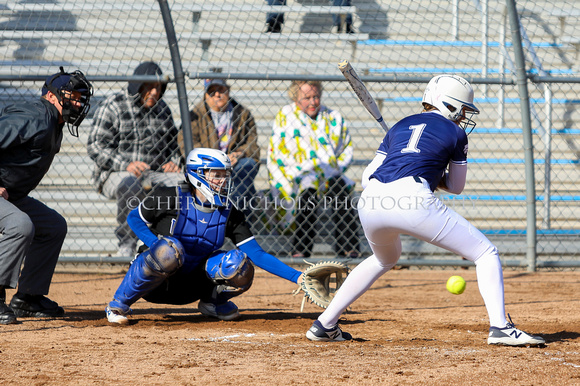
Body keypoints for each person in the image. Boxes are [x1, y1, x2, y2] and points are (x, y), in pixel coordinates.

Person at [305, 75, 546, 347]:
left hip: (371, 201)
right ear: (450, 105)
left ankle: (325, 323)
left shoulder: (399, 126)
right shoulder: (457, 133)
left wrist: (415, 165)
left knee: (383, 259)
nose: (464, 116)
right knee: (485, 252)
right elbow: (456, 186)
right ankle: (501, 327)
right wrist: (434, 173)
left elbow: (367, 176)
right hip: (412, 198)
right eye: (463, 109)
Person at [105, 148, 303, 324]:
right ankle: (118, 304)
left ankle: (212, 303)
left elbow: (257, 254)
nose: (223, 181)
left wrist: (299, 278)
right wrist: (155, 243)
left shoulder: (229, 211)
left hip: (192, 286)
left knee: (239, 264)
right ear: (197, 175)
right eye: (216, 175)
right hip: (155, 284)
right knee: (168, 250)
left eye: (225, 175)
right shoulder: (169, 196)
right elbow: (134, 218)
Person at [0, 67, 93, 324]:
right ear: (51, 96)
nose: (78, 102)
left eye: (80, 97)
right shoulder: (35, 117)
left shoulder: (53, 121)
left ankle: (28, 297)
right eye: (72, 95)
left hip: (12, 195)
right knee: (20, 225)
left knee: (52, 226)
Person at [88, 61, 182, 258]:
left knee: (183, 184)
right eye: (149, 86)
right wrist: (126, 165)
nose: (154, 92)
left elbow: (174, 145)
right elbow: (95, 146)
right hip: (116, 172)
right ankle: (127, 246)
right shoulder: (113, 105)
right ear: (137, 86)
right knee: (130, 184)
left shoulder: (163, 109)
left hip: (154, 173)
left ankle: (169, 243)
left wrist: (174, 162)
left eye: (158, 88)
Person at [267, 80, 359, 259]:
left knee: (340, 190)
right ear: (295, 98)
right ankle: (301, 249)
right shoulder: (285, 116)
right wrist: (302, 172)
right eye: (306, 97)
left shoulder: (333, 117)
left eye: (316, 96)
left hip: (330, 172)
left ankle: (348, 247)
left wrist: (332, 169)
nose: (312, 102)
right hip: (299, 174)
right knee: (307, 194)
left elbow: (346, 149)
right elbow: (278, 151)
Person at [177, 79, 260, 222]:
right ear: (205, 95)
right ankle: (234, 218)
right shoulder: (195, 116)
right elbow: (186, 144)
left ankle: (225, 216)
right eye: (212, 92)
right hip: (207, 166)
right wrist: (214, 160)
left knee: (248, 165)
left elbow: (252, 144)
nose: (217, 95)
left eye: (221, 90)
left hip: (235, 166)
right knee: (244, 188)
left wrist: (237, 154)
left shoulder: (242, 114)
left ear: (228, 91)